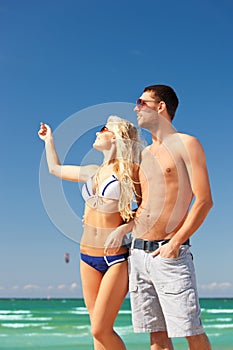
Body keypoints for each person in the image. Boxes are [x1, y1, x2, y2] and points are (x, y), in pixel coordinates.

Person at [105, 85, 213, 350]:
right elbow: (144, 207)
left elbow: (204, 201)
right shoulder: (143, 155)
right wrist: (124, 228)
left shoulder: (187, 144)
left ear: (160, 106)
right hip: (138, 255)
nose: (136, 108)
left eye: (142, 102)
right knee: (156, 338)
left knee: (191, 332)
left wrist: (175, 243)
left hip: (169, 255)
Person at [38, 115, 141, 350]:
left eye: (103, 129)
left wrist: (126, 227)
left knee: (100, 329)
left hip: (114, 258)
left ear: (116, 137)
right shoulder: (92, 171)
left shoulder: (131, 171)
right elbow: (55, 168)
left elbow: (148, 209)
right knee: (96, 333)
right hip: (87, 257)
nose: (97, 133)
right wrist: (48, 140)